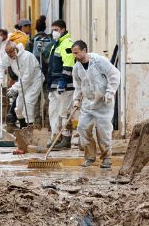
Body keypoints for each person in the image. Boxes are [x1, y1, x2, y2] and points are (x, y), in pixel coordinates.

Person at [71, 40, 121, 169]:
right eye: (73, 53)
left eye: (76, 53)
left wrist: (110, 92)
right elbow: (78, 85)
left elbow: (114, 74)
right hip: (88, 104)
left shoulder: (99, 61)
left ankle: (107, 158)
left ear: (84, 50)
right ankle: (90, 157)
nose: (74, 56)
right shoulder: (77, 67)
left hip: (103, 102)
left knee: (103, 131)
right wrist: (76, 99)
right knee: (82, 127)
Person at [0, 41, 43, 129]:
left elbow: (27, 77)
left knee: (28, 102)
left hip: (34, 81)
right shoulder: (9, 56)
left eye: (10, 53)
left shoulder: (27, 56)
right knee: (19, 106)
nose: (9, 56)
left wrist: (14, 88)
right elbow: (1, 65)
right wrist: (0, 78)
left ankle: (30, 126)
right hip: (22, 82)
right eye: (7, 53)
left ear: (15, 50)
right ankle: (23, 127)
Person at [47, 19, 76, 149]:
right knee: (53, 112)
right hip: (53, 84)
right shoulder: (56, 44)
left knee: (64, 112)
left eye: (56, 30)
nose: (54, 32)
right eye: (52, 30)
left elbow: (69, 63)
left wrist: (63, 81)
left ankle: (66, 139)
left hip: (64, 86)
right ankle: (55, 137)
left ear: (63, 30)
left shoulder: (67, 44)